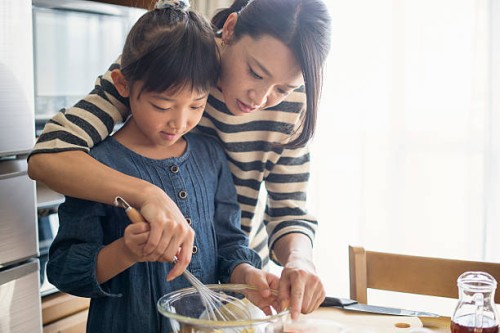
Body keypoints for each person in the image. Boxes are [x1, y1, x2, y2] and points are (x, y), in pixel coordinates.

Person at [29, 0, 332, 320]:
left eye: (283, 88)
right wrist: (148, 194)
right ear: (229, 29)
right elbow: (50, 154)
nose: (260, 98)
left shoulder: (291, 104)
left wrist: (300, 261)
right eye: (255, 72)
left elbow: (287, 212)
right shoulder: (169, 55)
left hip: (234, 288)